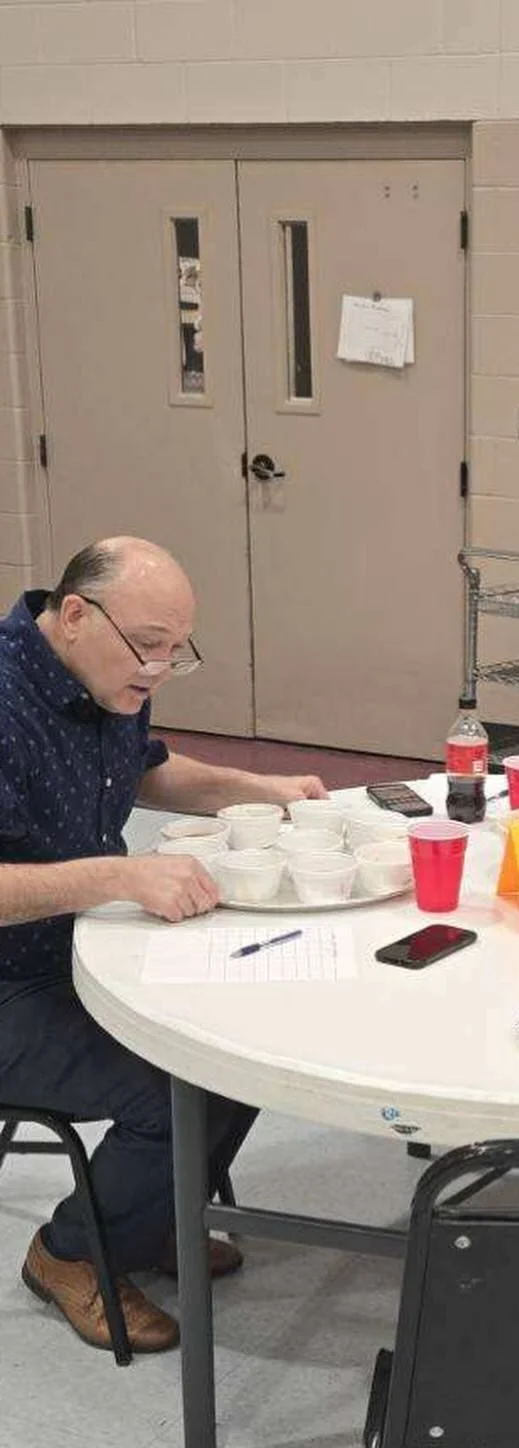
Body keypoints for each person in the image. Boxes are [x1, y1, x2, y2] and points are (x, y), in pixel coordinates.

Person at [0, 538, 328, 1353]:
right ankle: (72, 1251)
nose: (157, 669)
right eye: (149, 646)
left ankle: (152, 1218)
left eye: (175, 653)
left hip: (77, 948)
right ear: (75, 615)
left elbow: (145, 767)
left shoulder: (104, 675)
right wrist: (118, 875)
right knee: (169, 1084)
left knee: (244, 1041)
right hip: (11, 979)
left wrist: (261, 790)